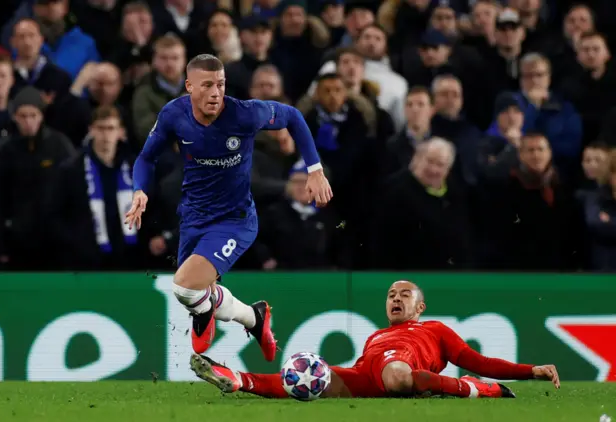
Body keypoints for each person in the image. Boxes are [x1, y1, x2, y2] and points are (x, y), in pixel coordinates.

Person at [125, 54, 333, 360]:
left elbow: (292, 117)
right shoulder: (174, 115)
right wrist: (140, 190)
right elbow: (146, 157)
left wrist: (315, 169)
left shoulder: (245, 114)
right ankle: (255, 318)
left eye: (220, 84)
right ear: (189, 87)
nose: (215, 92)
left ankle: (205, 315)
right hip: (193, 216)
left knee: (184, 288)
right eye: (207, 85)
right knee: (195, 293)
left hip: (234, 220)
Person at [191, 280, 560, 399]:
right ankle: (239, 380)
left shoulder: (434, 330)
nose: (395, 299)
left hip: (402, 372)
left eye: (404, 295)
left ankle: (486, 391)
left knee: (401, 375)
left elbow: (479, 361)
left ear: (420, 306)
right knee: (310, 378)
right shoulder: (377, 335)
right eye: (390, 295)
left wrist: (530, 371)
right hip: (367, 373)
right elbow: (365, 369)